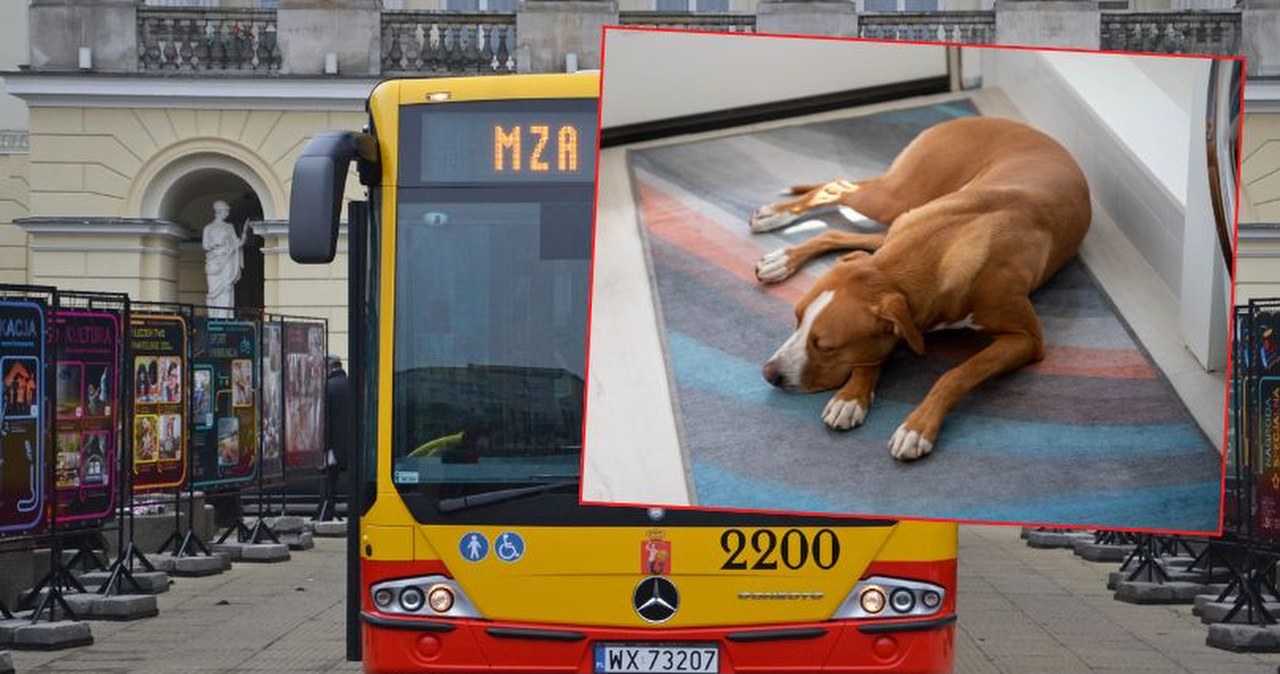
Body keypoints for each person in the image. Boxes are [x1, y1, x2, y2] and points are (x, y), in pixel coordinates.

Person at [203, 200, 252, 318]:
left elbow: (236, 244)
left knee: (227, 288)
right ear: (219, 211)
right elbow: (205, 245)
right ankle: (213, 317)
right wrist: (215, 245)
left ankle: (225, 317)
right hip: (214, 261)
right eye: (226, 211)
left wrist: (244, 236)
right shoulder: (208, 228)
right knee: (212, 291)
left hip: (227, 259)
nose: (228, 213)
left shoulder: (229, 227)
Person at [318, 355, 352, 521]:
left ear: (328, 368)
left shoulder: (327, 388)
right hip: (353, 446)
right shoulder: (354, 385)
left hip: (332, 446)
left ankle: (325, 513)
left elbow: (324, 421)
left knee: (328, 481)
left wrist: (324, 446)